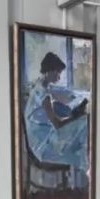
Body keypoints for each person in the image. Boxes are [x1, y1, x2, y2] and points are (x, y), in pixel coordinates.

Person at [24, 52, 90, 184]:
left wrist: (71, 114)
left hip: (40, 139)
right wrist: (75, 115)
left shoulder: (38, 86)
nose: (58, 76)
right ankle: (82, 180)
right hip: (43, 146)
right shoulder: (43, 93)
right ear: (48, 71)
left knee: (79, 134)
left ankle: (80, 178)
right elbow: (57, 124)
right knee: (84, 123)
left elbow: (48, 114)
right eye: (57, 72)